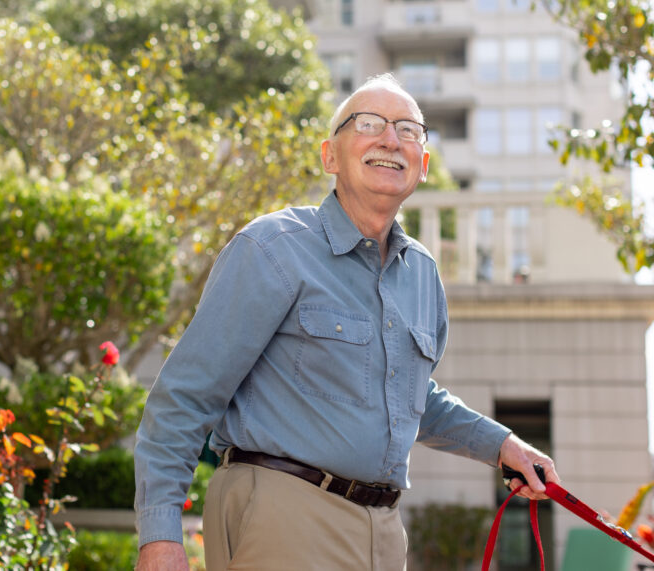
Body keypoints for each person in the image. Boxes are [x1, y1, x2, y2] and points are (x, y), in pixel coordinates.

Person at [133, 74, 559, 571]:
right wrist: (159, 537)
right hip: (281, 515)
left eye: (408, 129)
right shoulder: (273, 248)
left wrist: (502, 444)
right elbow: (185, 395)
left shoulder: (422, 275)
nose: (390, 138)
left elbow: (411, 398)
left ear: (422, 166)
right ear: (329, 156)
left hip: (383, 532)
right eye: (368, 124)